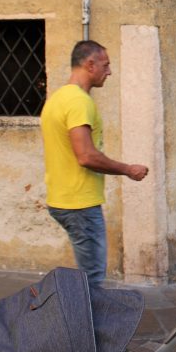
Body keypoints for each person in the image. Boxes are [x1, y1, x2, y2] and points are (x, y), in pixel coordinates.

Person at [40, 40, 149, 286]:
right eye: (106, 65)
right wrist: (128, 169)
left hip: (62, 198)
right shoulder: (79, 101)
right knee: (92, 281)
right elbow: (86, 155)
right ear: (90, 65)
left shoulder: (58, 98)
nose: (109, 72)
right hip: (80, 203)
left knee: (87, 277)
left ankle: (81, 319)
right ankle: (87, 324)